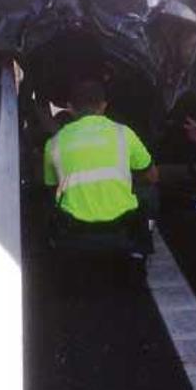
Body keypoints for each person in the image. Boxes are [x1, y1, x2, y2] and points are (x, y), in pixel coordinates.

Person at [43, 79, 159, 274]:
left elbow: (50, 187)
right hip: (122, 228)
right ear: (104, 106)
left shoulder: (53, 143)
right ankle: (138, 253)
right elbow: (153, 176)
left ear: (70, 108)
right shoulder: (124, 133)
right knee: (151, 192)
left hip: (74, 231)